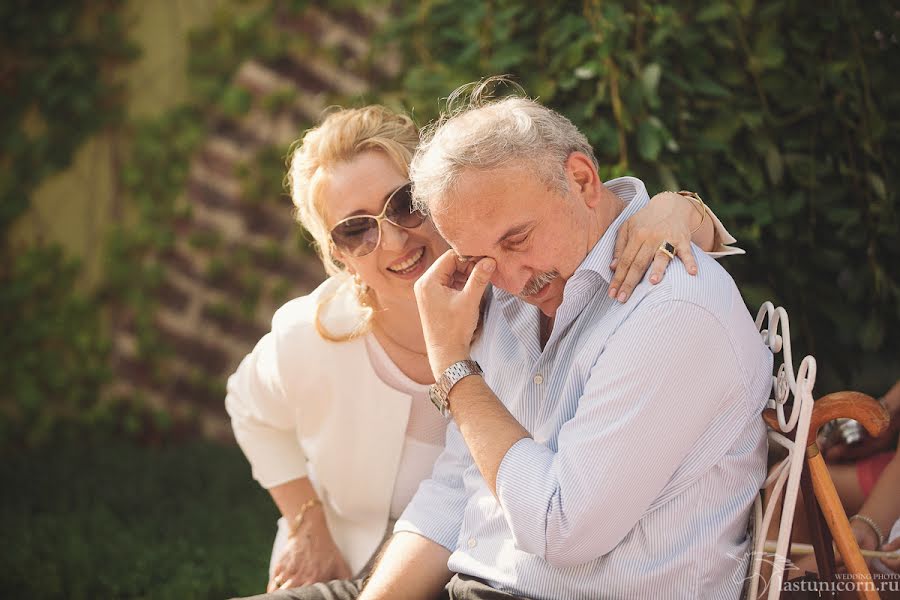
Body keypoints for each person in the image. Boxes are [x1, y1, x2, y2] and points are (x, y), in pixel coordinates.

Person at [235, 84, 769, 600]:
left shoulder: (663, 307)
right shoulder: (502, 293)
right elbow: (458, 485)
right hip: (463, 578)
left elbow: (559, 528)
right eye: (354, 230)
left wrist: (453, 367)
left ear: (583, 181)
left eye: (517, 240)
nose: (511, 279)